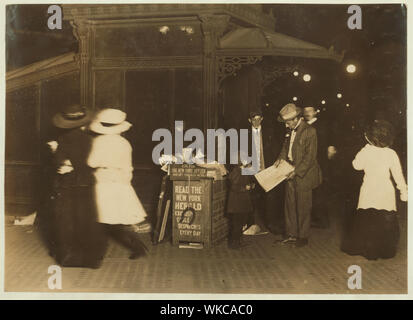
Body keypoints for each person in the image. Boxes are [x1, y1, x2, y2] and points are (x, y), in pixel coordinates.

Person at [87, 108, 150, 260]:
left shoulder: (98, 141)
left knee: (102, 218)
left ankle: (98, 252)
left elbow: (91, 162)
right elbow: (128, 167)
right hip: (120, 181)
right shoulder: (125, 143)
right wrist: (125, 182)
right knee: (118, 219)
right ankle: (138, 247)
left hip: (102, 180)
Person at [341, 120, 407, 260]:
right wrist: (404, 192)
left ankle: (369, 250)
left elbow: (356, 165)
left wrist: (364, 149)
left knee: (368, 220)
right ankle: (385, 250)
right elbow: (398, 175)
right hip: (385, 190)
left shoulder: (367, 151)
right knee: (385, 220)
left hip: (370, 189)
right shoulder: (391, 153)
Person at [51, 104, 107, 268]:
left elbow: (58, 163)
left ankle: (69, 258)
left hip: (68, 184)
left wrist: (60, 158)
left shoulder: (63, 139)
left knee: (67, 220)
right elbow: (92, 163)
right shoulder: (90, 140)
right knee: (88, 219)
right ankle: (92, 259)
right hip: (86, 183)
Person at [274, 103, 322, 247]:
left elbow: (310, 157)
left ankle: (302, 237)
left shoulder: (310, 131)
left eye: (288, 122)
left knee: (303, 206)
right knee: (289, 205)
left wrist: (296, 172)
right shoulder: (290, 130)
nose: (286, 125)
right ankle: (291, 234)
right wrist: (280, 158)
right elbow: (285, 147)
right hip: (289, 171)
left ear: (296, 119)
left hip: (303, 175)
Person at [243, 111, 278, 236]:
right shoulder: (245, 134)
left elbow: (275, 150)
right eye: (253, 119)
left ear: (262, 119)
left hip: (267, 170)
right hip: (252, 171)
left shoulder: (269, 132)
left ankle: (270, 225)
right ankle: (252, 224)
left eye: (258, 119)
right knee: (251, 198)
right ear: (249, 120)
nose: (256, 122)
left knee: (269, 198)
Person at [303, 106, 337, 228]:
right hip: (307, 165)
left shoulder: (323, 125)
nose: (307, 113)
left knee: (320, 192)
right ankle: (312, 218)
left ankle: (322, 220)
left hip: (320, 164)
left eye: (310, 110)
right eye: (305, 111)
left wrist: (331, 147)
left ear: (316, 112)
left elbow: (331, 142)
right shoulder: (302, 126)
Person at [226, 156, 256, 249]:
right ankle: (234, 244)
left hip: (242, 203)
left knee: (241, 223)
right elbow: (234, 187)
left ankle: (238, 241)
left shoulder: (244, 170)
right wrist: (245, 188)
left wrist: (250, 185)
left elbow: (245, 182)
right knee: (237, 224)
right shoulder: (236, 171)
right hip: (236, 204)